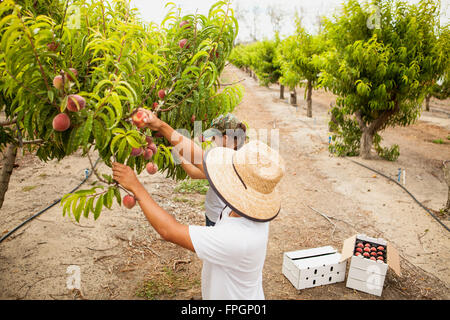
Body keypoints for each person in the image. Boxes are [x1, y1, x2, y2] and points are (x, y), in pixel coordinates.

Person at [112, 109, 285, 300]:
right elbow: (200, 157)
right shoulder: (251, 208)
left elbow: (168, 230)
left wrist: (136, 186)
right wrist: (160, 125)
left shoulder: (235, 239)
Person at [176, 113, 247, 226]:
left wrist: (178, 153)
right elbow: (202, 138)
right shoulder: (240, 153)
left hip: (219, 216)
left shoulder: (223, 161)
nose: (213, 140)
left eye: (215, 137)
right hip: (224, 213)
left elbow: (193, 173)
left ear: (225, 138)